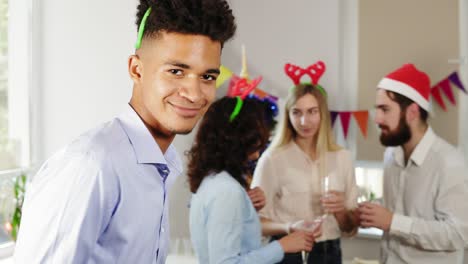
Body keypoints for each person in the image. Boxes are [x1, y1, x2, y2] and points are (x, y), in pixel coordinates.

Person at [14, 0, 236, 263]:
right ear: (136, 69)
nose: (194, 93)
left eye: (207, 77)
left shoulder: (163, 163)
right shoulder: (91, 165)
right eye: (176, 71)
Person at [187, 96, 320, 263]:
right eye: (257, 135)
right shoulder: (227, 190)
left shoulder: (213, 181)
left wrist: (248, 208)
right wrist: (282, 246)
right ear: (242, 138)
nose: (259, 147)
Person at [358, 63, 468, 264]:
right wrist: (373, 212)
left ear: (412, 112)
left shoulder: (450, 162)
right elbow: (402, 206)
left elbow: (459, 233)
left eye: (384, 109)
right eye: (377, 109)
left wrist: (392, 222)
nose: (377, 118)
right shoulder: (391, 154)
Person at [252, 82, 359, 264]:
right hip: (287, 254)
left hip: (329, 253)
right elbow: (255, 224)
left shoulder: (343, 158)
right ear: (288, 115)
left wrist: (340, 211)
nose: (304, 121)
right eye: (297, 112)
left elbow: (351, 228)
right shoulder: (272, 159)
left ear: (323, 114)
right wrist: (289, 227)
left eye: (312, 112)